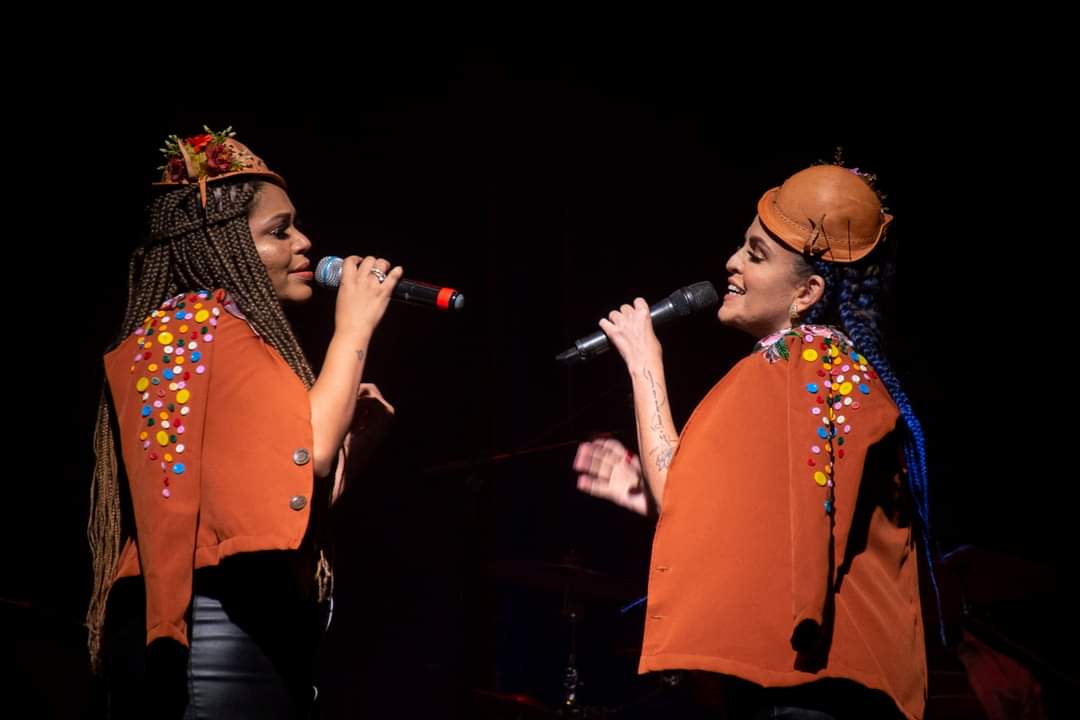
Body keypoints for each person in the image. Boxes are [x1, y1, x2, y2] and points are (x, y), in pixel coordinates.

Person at [573, 164, 934, 719]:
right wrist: (651, 498)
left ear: (808, 291)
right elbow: (772, 529)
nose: (732, 263)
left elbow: (677, 492)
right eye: (742, 246)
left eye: (756, 255)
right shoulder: (830, 372)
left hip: (811, 695)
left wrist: (644, 361)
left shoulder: (799, 362)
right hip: (839, 691)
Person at [86, 127, 401, 718]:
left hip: (254, 627)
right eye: (280, 231)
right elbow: (314, 453)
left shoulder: (232, 338)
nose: (305, 243)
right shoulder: (191, 325)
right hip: (207, 634)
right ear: (223, 245)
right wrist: (355, 328)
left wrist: (360, 441)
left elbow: (278, 501)